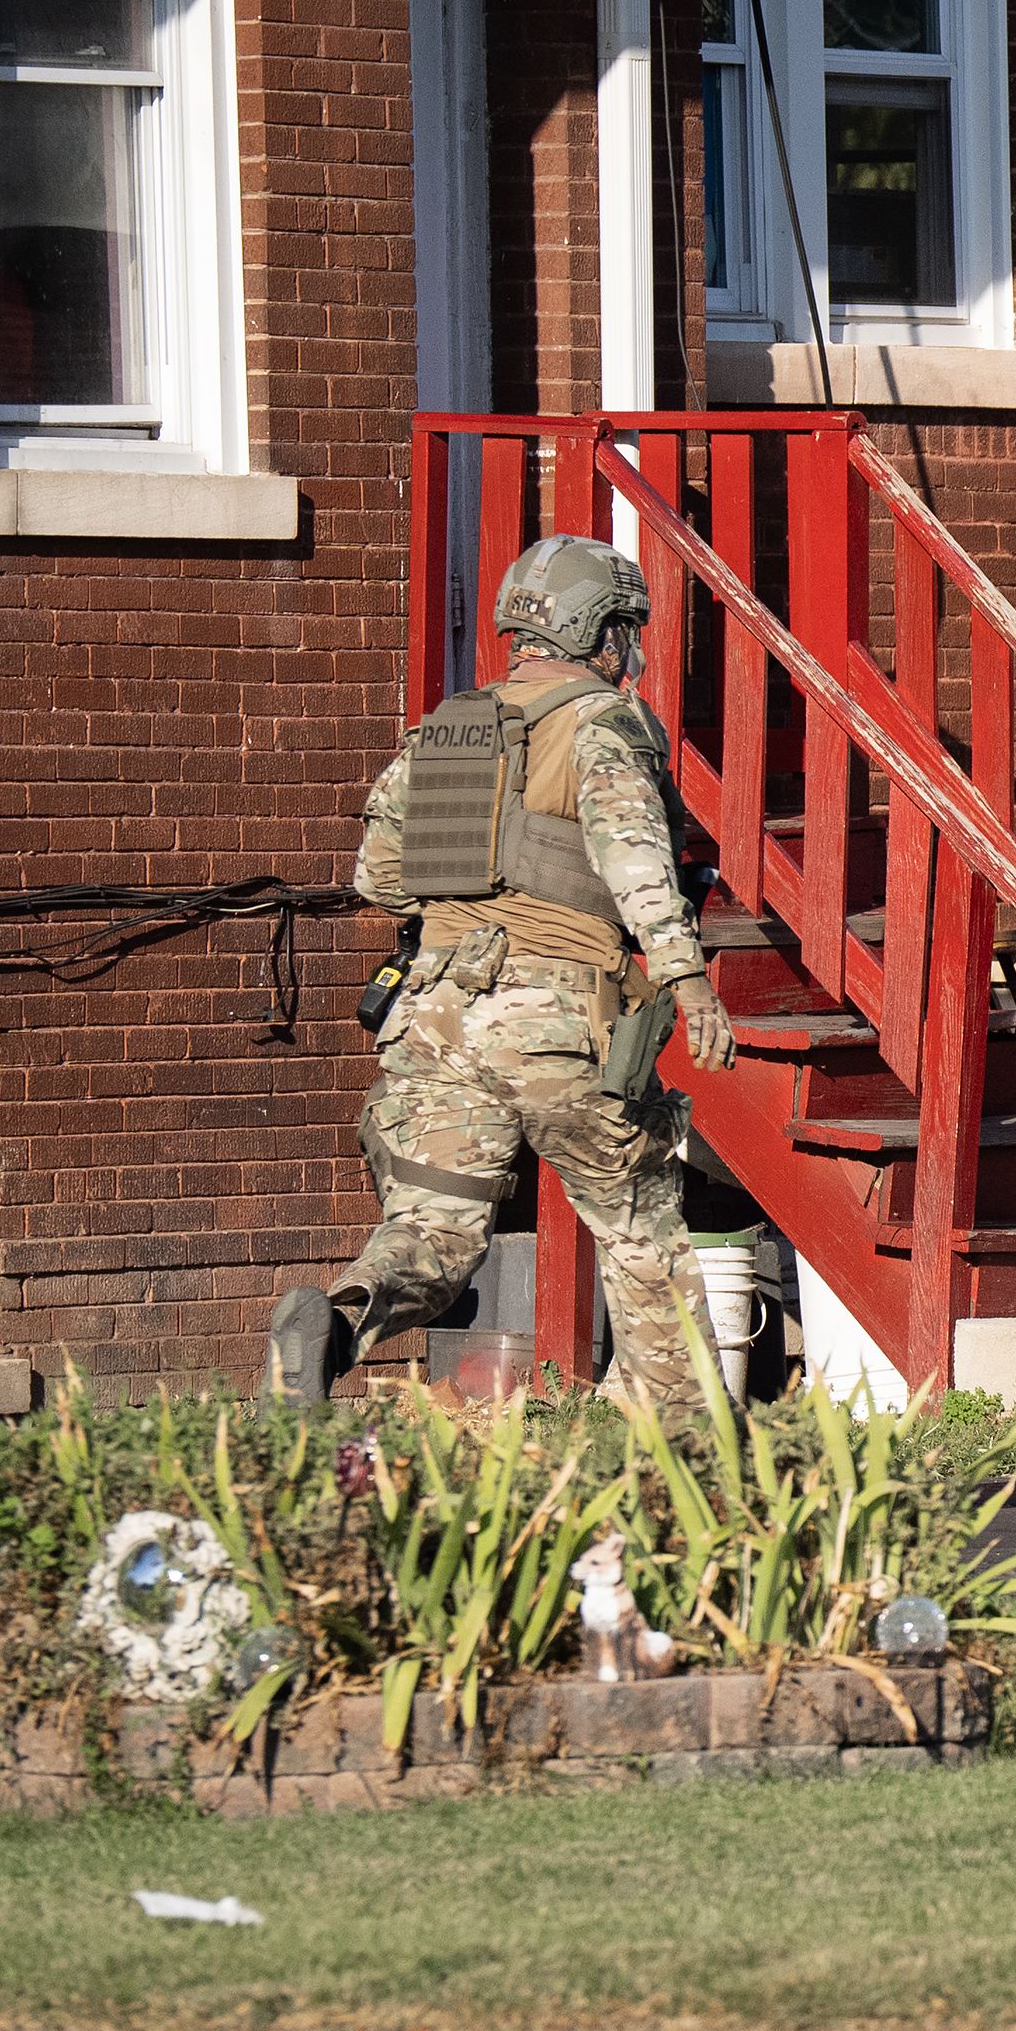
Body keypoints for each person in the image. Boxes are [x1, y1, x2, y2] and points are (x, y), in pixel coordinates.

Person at [275, 537, 739, 1404]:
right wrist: (686, 975)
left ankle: (335, 1322)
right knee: (640, 1229)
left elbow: (376, 874)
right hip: (557, 1021)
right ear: (597, 631)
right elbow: (634, 853)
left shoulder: (449, 725)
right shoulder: (602, 720)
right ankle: (693, 1464)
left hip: (437, 1018)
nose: (630, 648)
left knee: (434, 1236)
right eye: (626, 628)